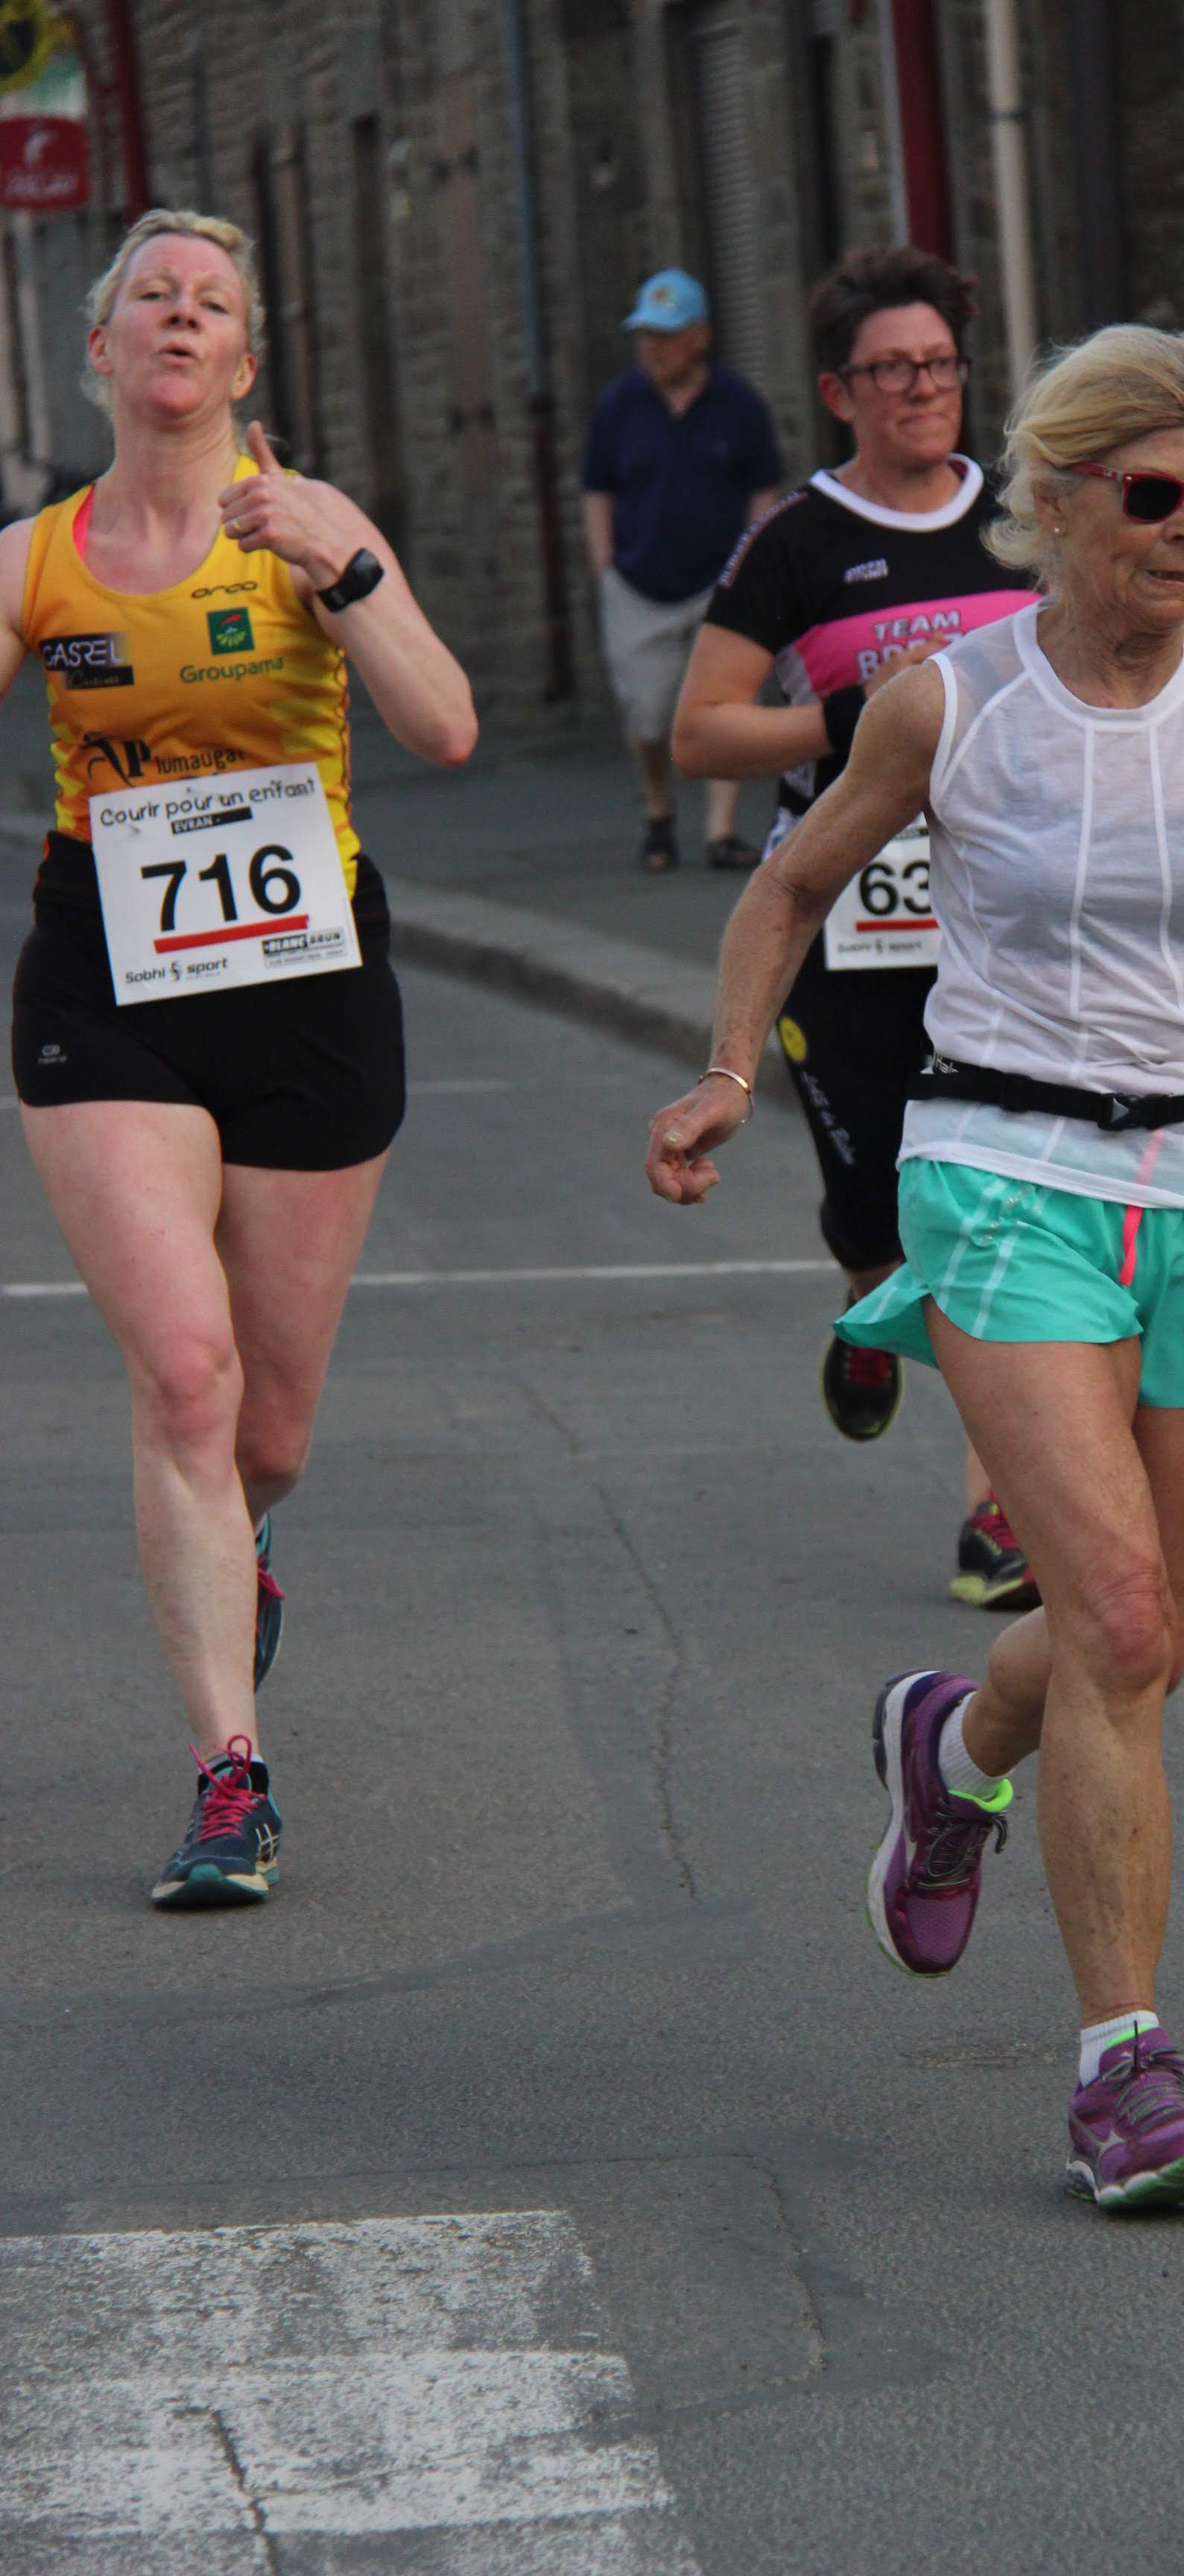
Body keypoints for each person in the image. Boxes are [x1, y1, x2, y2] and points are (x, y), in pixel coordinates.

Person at [648, 324, 1184, 2208]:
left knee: (1140, 1639)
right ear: (1061, 500)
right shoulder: (951, 703)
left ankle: (956, 1739)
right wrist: (728, 1074)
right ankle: (1120, 2068)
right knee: (1124, 1620)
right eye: (1153, 495)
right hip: (1005, 1172)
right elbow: (790, 881)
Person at [4, 207, 477, 1907]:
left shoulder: (307, 529)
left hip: (307, 983)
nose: (181, 316)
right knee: (186, 1380)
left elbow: (443, 725)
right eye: (153, 295)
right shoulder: (34, 558)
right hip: (105, 982)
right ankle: (230, 1774)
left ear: (247, 361)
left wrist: (347, 570)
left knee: (264, 1427)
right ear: (101, 348)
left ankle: (242, 1535)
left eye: (212, 301)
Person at [671, 243, 1040, 1611]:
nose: (921, 388)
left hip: (1003, 912)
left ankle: (998, 1512)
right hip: (846, 917)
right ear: (839, 392)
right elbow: (702, 732)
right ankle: (867, 1304)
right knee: (880, 1209)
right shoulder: (797, 543)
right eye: (890, 370)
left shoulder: (1024, 517)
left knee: (994, 1206)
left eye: (939, 363)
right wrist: (852, 720)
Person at [581, 268, 780, 873]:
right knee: (647, 713)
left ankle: (721, 829)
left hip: (717, 585)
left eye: (666, 336)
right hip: (639, 584)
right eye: (646, 336)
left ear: (699, 337)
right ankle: (659, 809)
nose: (654, 349)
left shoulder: (739, 404)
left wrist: (751, 562)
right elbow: (598, 490)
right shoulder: (618, 406)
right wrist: (604, 564)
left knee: (726, 707)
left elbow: (763, 486)